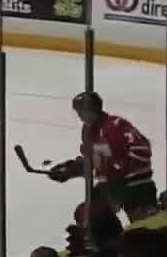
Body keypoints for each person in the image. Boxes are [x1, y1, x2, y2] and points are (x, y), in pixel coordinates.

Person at [48, 91, 158, 220]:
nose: (79, 115)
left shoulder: (112, 127)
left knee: (145, 224)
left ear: (92, 109)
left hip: (134, 185)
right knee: (94, 212)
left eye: (81, 110)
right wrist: (69, 169)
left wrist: (123, 171)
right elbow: (96, 162)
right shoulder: (90, 130)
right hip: (117, 183)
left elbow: (141, 148)